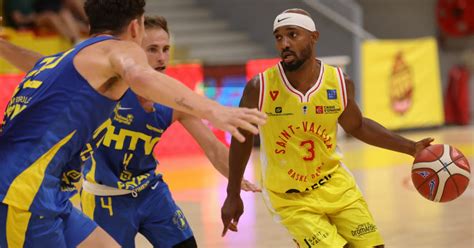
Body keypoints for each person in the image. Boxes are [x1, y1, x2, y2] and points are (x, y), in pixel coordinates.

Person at [0, 0, 266, 247]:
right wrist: (214, 109)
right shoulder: (122, 53)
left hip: (55, 194)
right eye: (151, 49)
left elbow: (36, 62)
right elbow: (140, 75)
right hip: (25, 194)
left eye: (166, 49)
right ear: (135, 27)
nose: (161, 57)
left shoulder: (72, 61)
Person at [221, 8, 433, 248]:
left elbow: (358, 126)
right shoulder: (260, 87)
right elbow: (241, 138)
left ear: (314, 37)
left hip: (336, 186)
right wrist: (232, 193)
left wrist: (411, 147)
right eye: (278, 37)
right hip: (291, 198)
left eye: (292, 34)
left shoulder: (339, 82)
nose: (284, 43)